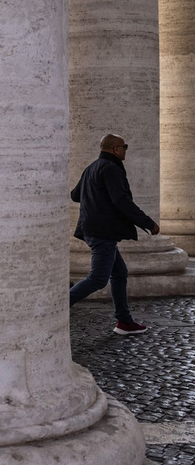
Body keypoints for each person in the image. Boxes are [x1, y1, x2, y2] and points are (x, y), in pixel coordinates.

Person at [69, 133, 159, 335]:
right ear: (115, 149)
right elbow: (121, 200)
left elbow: (75, 195)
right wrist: (147, 222)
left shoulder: (91, 167)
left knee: (119, 273)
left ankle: (124, 322)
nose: (126, 149)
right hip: (102, 232)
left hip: (92, 228)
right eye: (124, 146)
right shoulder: (111, 168)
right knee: (98, 279)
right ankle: (57, 307)